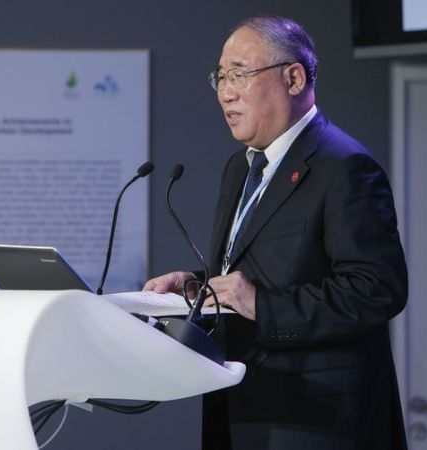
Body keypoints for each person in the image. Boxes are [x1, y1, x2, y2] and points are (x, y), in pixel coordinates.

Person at [144, 15, 408, 450]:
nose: (225, 92)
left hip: (315, 422)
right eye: (220, 77)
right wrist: (199, 286)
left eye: (239, 74)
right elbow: (259, 270)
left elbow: (377, 289)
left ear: (293, 78)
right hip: (238, 409)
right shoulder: (240, 168)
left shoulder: (344, 167)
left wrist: (261, 305)